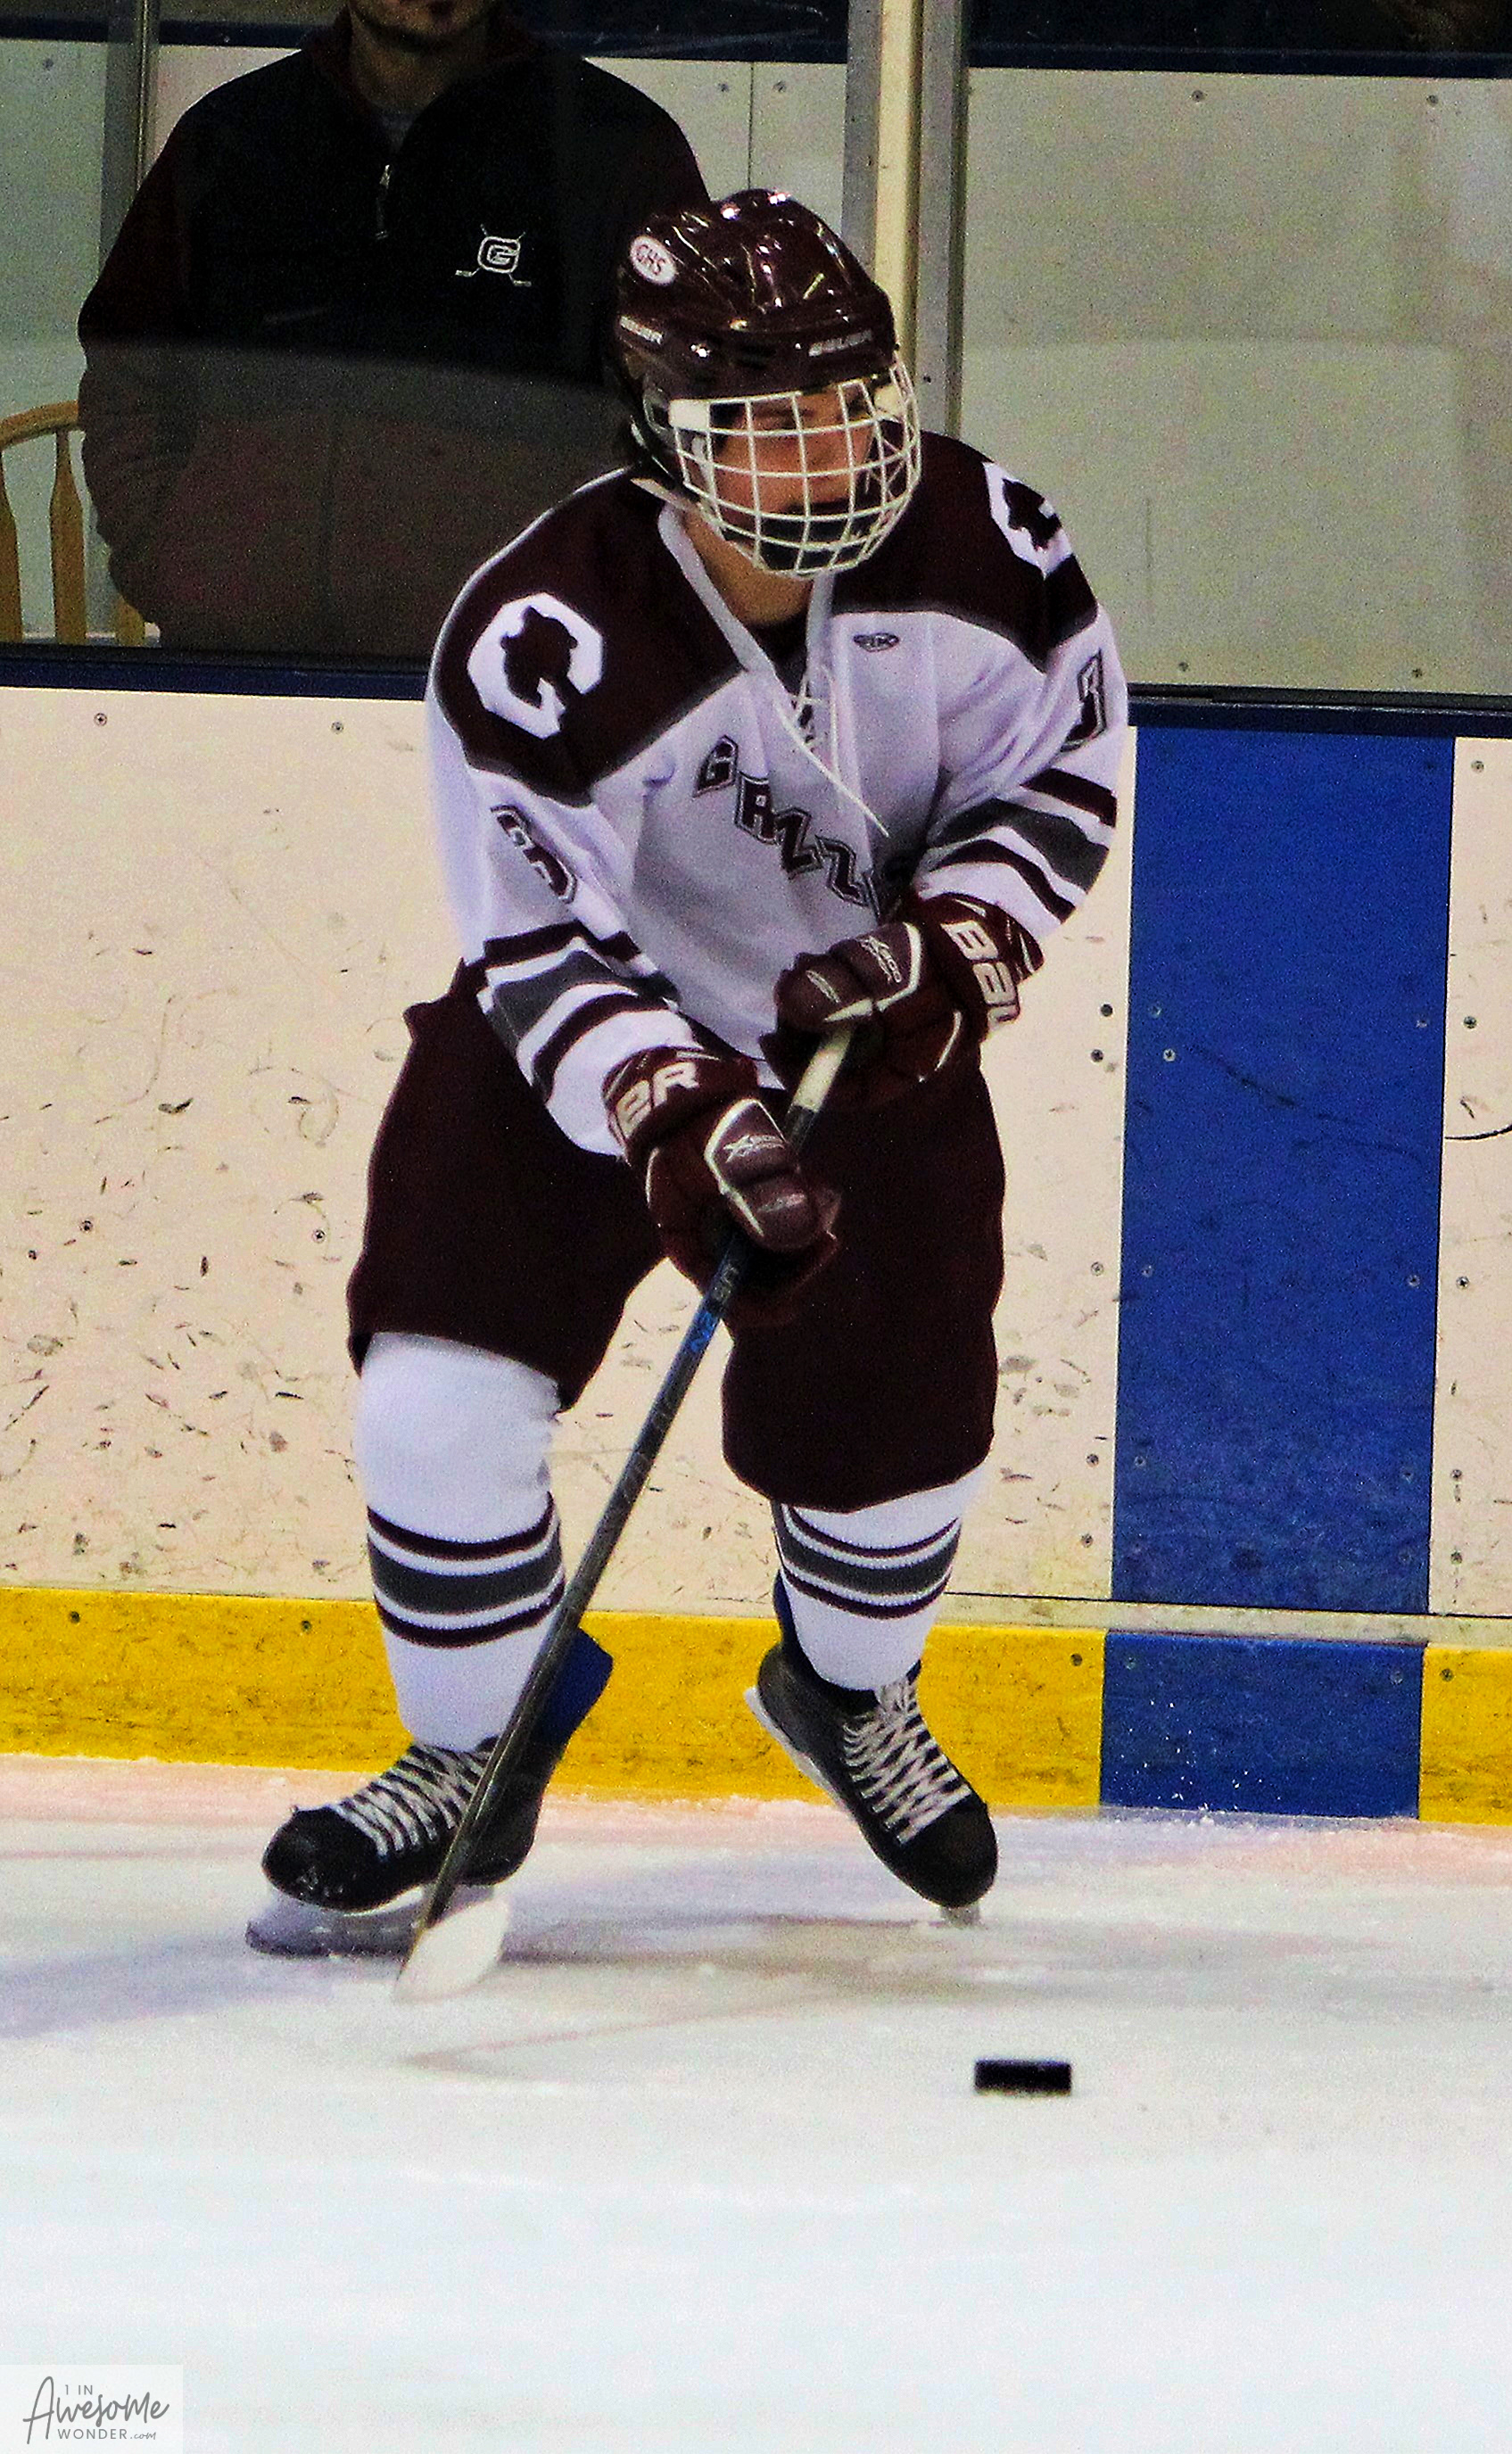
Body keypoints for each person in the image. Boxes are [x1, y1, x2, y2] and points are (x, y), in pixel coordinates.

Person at [250, 186, 1126, 1949]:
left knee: (899, 1454)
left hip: (860, 1051)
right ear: (661, 438)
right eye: (766, 424)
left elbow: (1061, 773)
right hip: (576, 1056)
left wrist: (954, 949)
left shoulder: (994, 549)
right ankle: (471, 1744)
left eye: (850, 406)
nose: (826, 457)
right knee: (434, 1394)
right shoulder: (541, 633)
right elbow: (536, 943)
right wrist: (668, 1109)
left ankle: (846, 1692)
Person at [77, 0, 706, 658]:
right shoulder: (228, 138)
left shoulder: (618, 147)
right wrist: (180, 569)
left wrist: (581, 609)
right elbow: (130, 379)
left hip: (517, 686)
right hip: (230, 678)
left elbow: (688, 418)